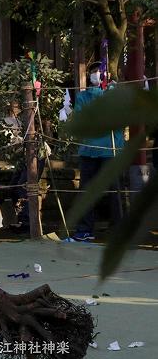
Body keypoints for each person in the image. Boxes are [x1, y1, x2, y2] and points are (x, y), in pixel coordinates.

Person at [68, 65, 124, 242]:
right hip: (89, 150)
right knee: (87, 191)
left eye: (99, 72)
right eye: (93, 73)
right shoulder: (84, 96)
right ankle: (85, 229)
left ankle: (119, 229)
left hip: (110, 150)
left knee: (115, 192)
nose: (96, 76)